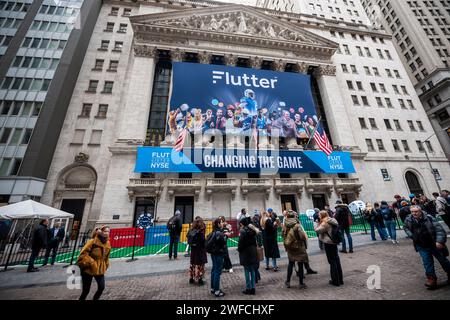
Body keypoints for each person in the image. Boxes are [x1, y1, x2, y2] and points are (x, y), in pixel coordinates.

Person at [403, 206, 450, 289]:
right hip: (421, 245)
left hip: (434, 244)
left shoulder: (429, 218)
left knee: (443, 261)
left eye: (416, 211)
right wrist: (411, 235)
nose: (414, 213)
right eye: (412, 212)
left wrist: (439, 241)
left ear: (420, 211)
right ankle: (431, 279)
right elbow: (405, 227)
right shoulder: (408, 219)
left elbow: (439, 230)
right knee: (427, 262)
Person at [77, 226, 111, 300]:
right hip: (88, 269)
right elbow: (83, 254)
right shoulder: (92, 241)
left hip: (100, 269)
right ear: (100, 231)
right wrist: (92, 263)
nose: (107, 233)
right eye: (105, 231)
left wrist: (106, 265)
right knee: (86, 291)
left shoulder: (108, 243)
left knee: (101, 287)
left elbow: (106, 257)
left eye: (108, 231)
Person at [314, 210, 344, 286]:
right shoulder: (332, 220)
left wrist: (316, 223)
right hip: (334, 241)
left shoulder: (325, 223)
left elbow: (317, 231)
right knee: (336, 260)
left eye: (320, 215)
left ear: (322, 215)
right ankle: (340, 279)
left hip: (328, 242)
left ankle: (335, 281)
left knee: (332, 261)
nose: (319, 216)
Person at [282, 211, 308, 289]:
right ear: (294, 216)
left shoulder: (285, 225)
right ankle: (301, 283)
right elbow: (303, 236)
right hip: (299, 246)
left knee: (291, 263)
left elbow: (282, 235)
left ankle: (288, 281)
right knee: (300, 264)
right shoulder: (297, 225)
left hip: (290, 246)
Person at [238, 217, 258, 295]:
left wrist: (239, 249)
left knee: (246, 270)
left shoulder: (242, 231)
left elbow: (241, 243)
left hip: (245, 252)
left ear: (242, 224)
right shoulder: (252, 230)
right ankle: (253, 288)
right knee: (252, 270)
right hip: (252, 251)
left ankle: (248, 288)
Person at [208, 218, 228, 297]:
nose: (222, 223)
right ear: (218, 224)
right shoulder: (219, 232)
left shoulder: (214, 231)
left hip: (213, 253)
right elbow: (223, 242)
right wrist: (226, 236)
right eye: (221, 222)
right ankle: (217, 291)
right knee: (217, 272)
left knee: (214, 270)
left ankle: (213, 288)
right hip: (218, 253)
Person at [188, 217, 207, 286]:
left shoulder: (191, 230)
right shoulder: (200, 231)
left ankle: (191, 278)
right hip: (200, 250)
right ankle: (200, 279)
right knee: (200, 264)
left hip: (193, 249)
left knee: (192, 264)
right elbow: (203, 241)